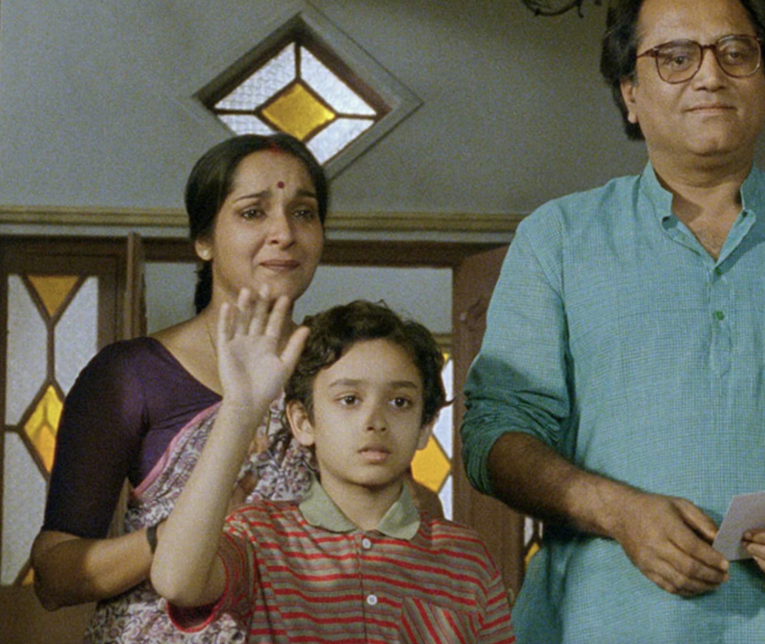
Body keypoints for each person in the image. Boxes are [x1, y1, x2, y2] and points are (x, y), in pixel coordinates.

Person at [459, 0, 765, 642]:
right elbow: (493, 436)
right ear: (630, 95)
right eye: (675, 58)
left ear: (764, 83)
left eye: (736, 52)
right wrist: (617, 511)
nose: (710, 76)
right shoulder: (558, 237)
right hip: (605, 622)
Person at [29, 133, 328, 643]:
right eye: (253, 213)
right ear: (204, 240)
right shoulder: (131, 376)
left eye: (304, 213)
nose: (284, 233)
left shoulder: (337, 372)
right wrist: (183, 532)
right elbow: (55, 576)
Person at [151, 296, 516, 644]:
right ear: (303, 422)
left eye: (400, 402)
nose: (375, 421)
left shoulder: (465, 558)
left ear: (425, 427)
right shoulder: (261, 537)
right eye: (349, 400)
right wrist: (240, 410)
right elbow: (176, 581)